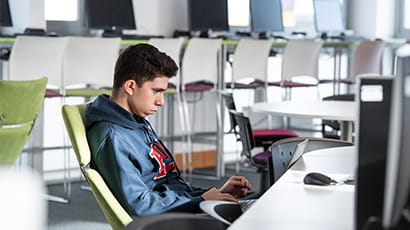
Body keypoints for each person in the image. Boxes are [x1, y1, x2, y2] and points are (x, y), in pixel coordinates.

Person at [86, 43, 252, 216]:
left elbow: (167, 185)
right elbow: (141, 205)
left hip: (181, 211)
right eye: (156, 91)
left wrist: (213, 194)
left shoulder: (135, 120)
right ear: (130, 87)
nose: (161, 101)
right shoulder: (114, 137)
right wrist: (202, 202)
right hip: (164, 222)